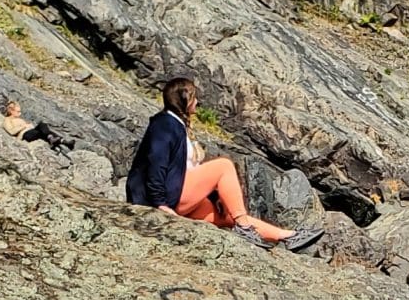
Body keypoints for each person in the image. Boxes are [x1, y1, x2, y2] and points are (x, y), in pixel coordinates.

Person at [125, 77, 318, 247]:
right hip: (166, 198)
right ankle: (244, 226)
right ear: (184, 100)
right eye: (194, 97)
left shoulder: (175, 123)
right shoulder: (165, 124)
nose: (197, 102)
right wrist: (161, 204)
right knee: (223, 166)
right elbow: (156, 163)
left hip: (175, 194)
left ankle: (287, 237)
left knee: (225, 216)